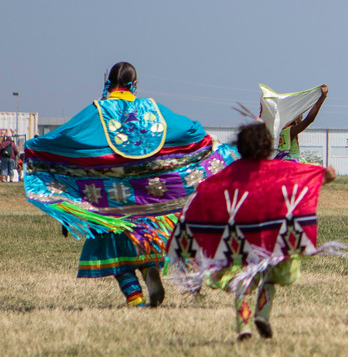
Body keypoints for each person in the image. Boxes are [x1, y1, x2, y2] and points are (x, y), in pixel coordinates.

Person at [23, 62, 237, 307]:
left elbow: (67, 135)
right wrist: (206, 141)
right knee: (143, 236)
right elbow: (189, 129)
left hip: (110, 196)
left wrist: (36, 147)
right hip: (146, 194)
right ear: (134, 84)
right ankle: (148, 271)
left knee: (114, 244)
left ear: (108, 83)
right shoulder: (152, 108)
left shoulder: (98, 110)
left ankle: (135, 297)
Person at [168, 122, 342, 341]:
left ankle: (243, 327)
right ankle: (263, 314)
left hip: (239, 239)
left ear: (241, 146)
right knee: (269, 277)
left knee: (242, 280)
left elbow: (207, 190)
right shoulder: (279, 169)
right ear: (268, 146)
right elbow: (302, 180)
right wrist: (323, 177)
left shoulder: (230, 173)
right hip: (271, 235)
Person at [277, 85, 328, 159]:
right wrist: (322, 97)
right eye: (300, 115)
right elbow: (309, 119)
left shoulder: (278, 132)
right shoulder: (290, 131)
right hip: (292, 168)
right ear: (294, 118)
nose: (302, 117)